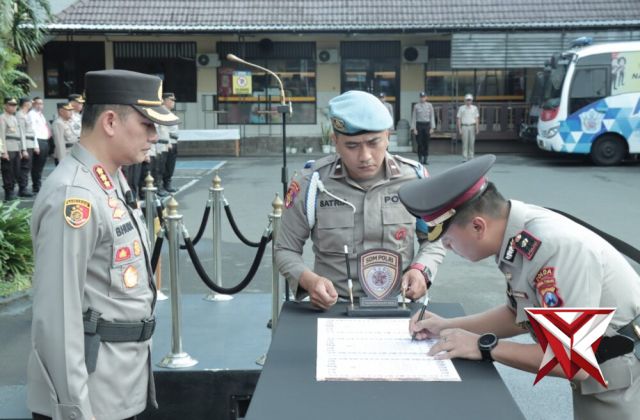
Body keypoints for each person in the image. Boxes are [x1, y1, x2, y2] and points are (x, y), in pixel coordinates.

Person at [398, 155, 640, 420]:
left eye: (448, 240)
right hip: (606, 372)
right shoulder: (515, 234)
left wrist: (484, 346)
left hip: (625, 378)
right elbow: (519, 315)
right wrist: (446, 326)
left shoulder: (553, 248)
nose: (447, 248)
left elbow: (572, 360)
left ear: (478, 226)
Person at [28, 69, 180, 420]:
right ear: (110, 122)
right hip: (90, 399)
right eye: (147, 124)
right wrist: (74, 411)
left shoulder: (109, 180)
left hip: (117, 383)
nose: (154, 136)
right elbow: (57, 318)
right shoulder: (75, 196)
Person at [275, 90, 445, 310]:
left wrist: (421, 270)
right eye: (352, 146)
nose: (365, 156)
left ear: (388, 136)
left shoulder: (415, 180)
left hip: (399, 304)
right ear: (335, 141)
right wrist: (308, 281)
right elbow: (285, 249)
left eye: (374, 143)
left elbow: (434, 238)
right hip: (336, 306)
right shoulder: (312, 183)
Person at [1, 97, 28, 201]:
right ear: (5, 106)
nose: (13, 107)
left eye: (15, 105)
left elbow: (18, 136)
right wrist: (3, 152)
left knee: (16, 171)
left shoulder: (14, 118)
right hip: (8, 148)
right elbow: (1, 136)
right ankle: (8, 192)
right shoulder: (2, 118)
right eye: (10, 105)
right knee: (8, 171)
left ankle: (12, 189)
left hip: (16, 148)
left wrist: (21, 150)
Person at [28, 97, 51, 193]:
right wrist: (36, 145)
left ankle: (38, 183)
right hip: (38, 141)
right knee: (36, 166)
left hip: (45, 141)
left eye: (41, 103)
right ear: (33, 104)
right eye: (37, 103)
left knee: (41, 165)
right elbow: (33, 131)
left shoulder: (41, 115)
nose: (40, 105)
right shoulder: (31, 114)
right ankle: (36, 186)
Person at [16, 97, 36, 197]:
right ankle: (22, 189)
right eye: (30, 103)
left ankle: (24, 187)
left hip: (30, 143)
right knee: (24, 167)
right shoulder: (20, 115)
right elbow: (22, 133)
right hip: (26, 144)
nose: (32, 104)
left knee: (27, 167)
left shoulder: (26, 115)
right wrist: (23, 149)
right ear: (26, 104)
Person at [410, 92, 435, 165]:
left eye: (424, 97)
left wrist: (432, 127)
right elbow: (414, 117)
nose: (422, 98)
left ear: (426, 97)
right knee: (419, 143)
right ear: (419, 98)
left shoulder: (429, 105)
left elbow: (432, 116)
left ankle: (425, 159)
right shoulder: (416, 106)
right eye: (421, 97)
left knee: (426, 143)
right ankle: (420, 159)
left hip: (427, 125)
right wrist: (414, 128)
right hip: (419, 125)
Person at [162, 92, 179, 193]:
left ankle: (167, 183)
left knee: (170, 165)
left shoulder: (169, 113)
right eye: (171, 100)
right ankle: (165, 184)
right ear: (165, 100)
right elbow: (163, 130)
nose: (173, 102)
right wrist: (168, 142)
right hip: (167, 142)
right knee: (165, 165)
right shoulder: (162, 113)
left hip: (173, 141)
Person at [456, 93, 480, 162]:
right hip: (464, 126)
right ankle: (465, 157)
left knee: (472, 142)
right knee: (465, 143)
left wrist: (477, 128)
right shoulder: (461, 108)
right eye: (467, 100)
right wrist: (459, 129)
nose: (468, 101)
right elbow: (459, 119)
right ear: (465, 100)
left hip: (472, 126)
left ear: (472, 100)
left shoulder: (475, 108)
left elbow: (476, 118)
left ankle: (471, 156)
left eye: (469, 100)